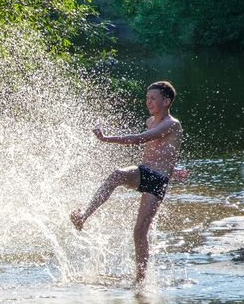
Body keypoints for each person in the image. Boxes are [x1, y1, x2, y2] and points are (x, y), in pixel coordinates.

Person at [70, 81, 188, 286]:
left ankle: (140, 281)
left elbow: (141, 139)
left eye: (153, 98)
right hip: (144, 172)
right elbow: (158, 151)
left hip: (158, 181)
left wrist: (107, 139)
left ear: (166, 101)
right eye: (147, 98)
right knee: (116, 175)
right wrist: (174, 168)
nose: (148, 102)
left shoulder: (172, 123)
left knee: (139, 231)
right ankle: (84, 216)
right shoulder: (150, 120)